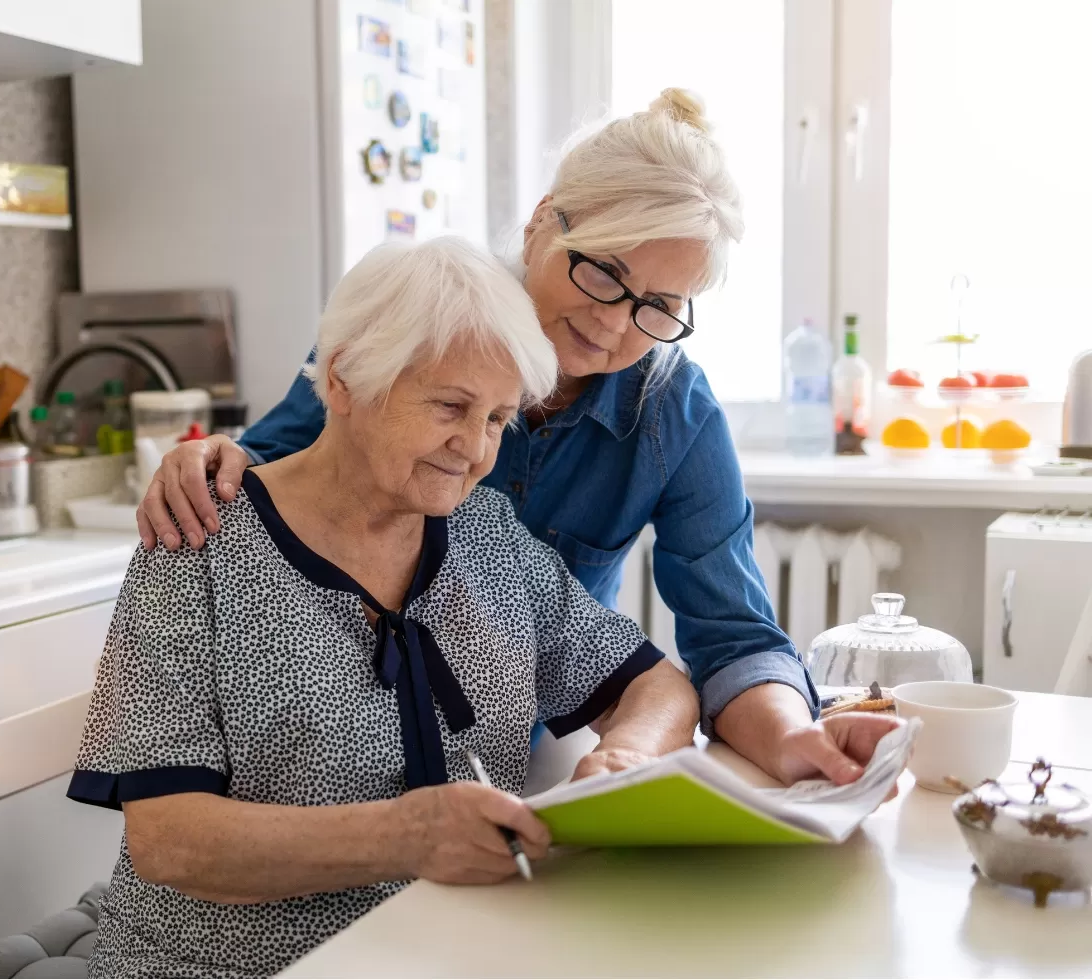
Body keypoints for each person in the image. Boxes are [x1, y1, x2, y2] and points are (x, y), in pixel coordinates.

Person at [136, 88, 903, 788]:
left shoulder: (675, 413)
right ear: (543, 222)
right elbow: (271, 473)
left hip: (515, 755)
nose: (611, 323)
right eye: (604, 272)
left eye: (658, 305)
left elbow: (733, 637)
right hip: (327, 755)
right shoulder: (415, 322)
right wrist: (208, 460)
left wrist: (794, 736)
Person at [70, 237, 698, 977]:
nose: (473, 449)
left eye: (498, 419)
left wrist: (623, 757)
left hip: (447, 954)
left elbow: (658, 686)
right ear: (344, 380)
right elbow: (169, 840)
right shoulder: (199, 540)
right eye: (450, 406)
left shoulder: (486, 535)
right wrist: (404, 836)